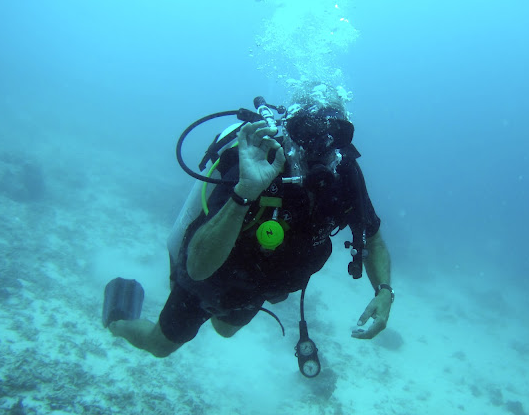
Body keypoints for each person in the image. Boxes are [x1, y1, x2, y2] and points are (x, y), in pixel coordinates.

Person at [108, 96, 394, 363]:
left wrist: (383, 291)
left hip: (258, 287)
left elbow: (374, 240)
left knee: (225, 329)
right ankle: (116, 323)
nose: (318, 147)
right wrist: (245, 191)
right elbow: (197, 268)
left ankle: (217, 311)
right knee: (159, 346)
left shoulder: (345, 176)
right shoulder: (259, 161)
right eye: (307, 132)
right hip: (210, 277)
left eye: (333, 135)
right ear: (290, 130)